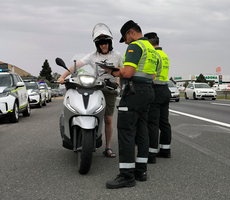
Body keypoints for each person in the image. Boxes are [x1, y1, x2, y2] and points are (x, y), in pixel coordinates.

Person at [105, 20, 157, 189]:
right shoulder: (152, 49)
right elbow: (153, 76)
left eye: (125, 38)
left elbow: (127, 72)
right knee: (142, 132)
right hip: (148, 91)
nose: (126, 42)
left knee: (126, 132)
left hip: (134, 92)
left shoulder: (135, 46)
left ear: (131, 33)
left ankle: (126, 176)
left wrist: (111, 70)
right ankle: (141, 171)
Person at [57, 23, 123, 158]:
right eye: (100, 43)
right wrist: (63, 76)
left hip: (110, 90)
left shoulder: (117, 56)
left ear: (110, 43)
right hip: (96, 88)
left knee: (108, 119)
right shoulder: (92, 56)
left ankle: (108, 147)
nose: (103, 45)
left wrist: (118, 83)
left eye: (105, 43)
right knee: (87, 111)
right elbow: (77, 65)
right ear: (97, 45)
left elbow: (122, 72)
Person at [144, 32, 172, 164]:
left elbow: (152, 75)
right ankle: (166, 150)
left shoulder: (153, 55)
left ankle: (151, 153)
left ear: (149, 43)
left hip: (156, 90)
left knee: (152, 123)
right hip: (165, 90)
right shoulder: (165, 55)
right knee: (164, 122)